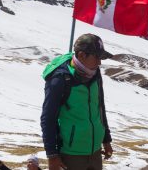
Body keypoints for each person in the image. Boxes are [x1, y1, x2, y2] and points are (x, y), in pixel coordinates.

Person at [41, 33, 113, 170]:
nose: (100, 62)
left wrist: (106, 139)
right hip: (71, 155)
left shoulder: (95, 73)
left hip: (95, 153)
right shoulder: (60, 79)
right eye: (97, 57)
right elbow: (48, 119)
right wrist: (52, 155)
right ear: (81, 55)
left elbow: (100, 107)